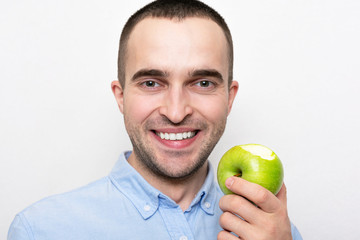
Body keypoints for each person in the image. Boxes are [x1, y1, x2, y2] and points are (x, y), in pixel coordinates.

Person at [8, 0, 303, 239]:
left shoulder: (270, 231)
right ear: (121, 96)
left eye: (202, 83)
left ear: (229, 98)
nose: (176, 113)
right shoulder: (41, 230)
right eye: (151, 83)